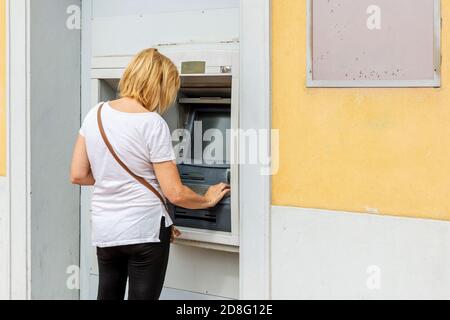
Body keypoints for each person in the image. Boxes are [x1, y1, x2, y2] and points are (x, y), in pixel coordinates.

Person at [70, 48, 230, 300]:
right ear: (160, 86)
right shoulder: (152, 123)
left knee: (107, 295)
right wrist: (207, 200)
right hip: (145, 230)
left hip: (106, 228)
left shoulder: (96, 113)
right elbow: (175, 193)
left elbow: (78, 174)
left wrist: (112, 177)